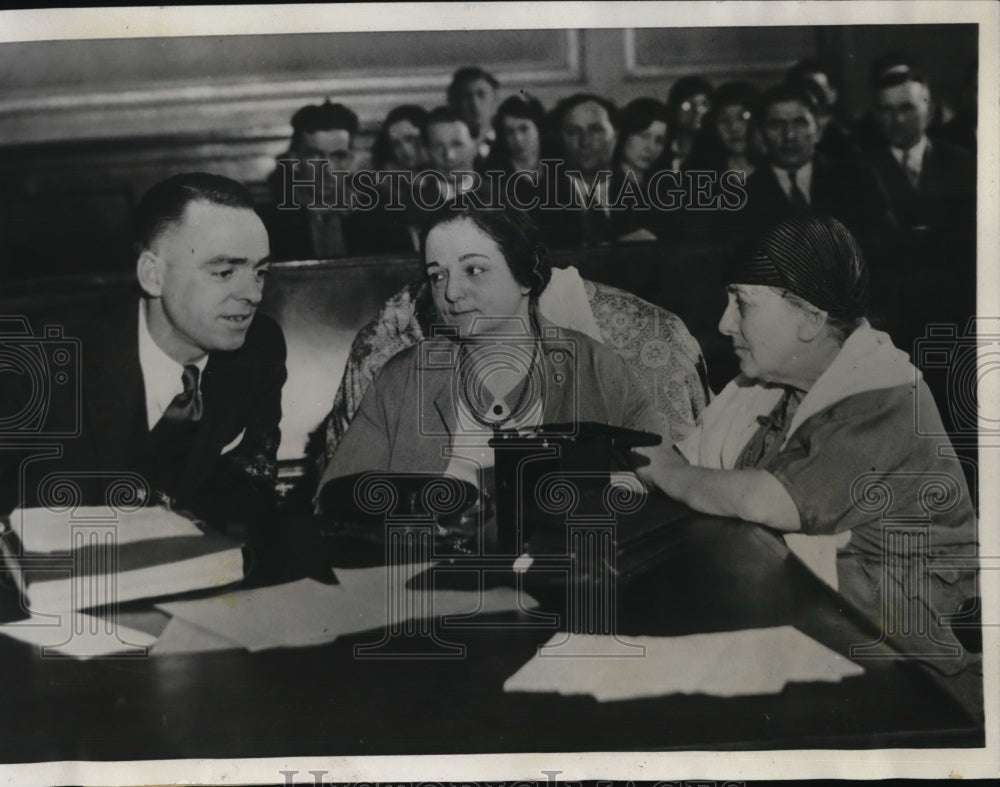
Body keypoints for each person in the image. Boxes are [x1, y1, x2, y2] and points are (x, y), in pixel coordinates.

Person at [637, 215, 978, 700]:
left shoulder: (885, 395)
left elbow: (765, 500)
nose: (724, 322)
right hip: (829, 630)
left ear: (811, 318)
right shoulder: (774, 388)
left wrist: (665, 469)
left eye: (742, 303)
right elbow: (693, 462)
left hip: (913, 669)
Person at [1, 173, 287, 538]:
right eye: (224, 272)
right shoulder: (36, 361)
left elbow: (250, 486)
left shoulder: (260, 348)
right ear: (153, 275)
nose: (253, 293)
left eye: (260, 271)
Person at [316, 202, 662, 493]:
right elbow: (338, 497)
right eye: (438, 275)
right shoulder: (402, 378)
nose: (451, 293)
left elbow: (672, 476)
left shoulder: (595, 366)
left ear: (526, 276)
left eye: (474, 270)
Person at [736, 82, 887, 247]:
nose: (789, 135)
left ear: (819, 130)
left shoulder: (857, 181)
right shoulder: (743, 197)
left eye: (800, 123)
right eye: (776, 125)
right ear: (761, 133)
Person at [863, 70, 975, 233]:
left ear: (929, 112)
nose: (898, 119)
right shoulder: (861, 167)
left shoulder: (961, 163)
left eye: (907, 108)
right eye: (887, 110)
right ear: (876, 116)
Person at [261, 100, 373, 260]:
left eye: (338, 156)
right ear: (295, 160)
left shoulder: (378, 220)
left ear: (350, 161)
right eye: (315, 155)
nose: (327, 169)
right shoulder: (269, 225)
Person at [538, 93, 619, 248]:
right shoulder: (536, 201)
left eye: (596, 130)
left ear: (615, 137)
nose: (585, 141)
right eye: (573, 132)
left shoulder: (647, 198)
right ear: (560, 139)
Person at [610, 97, 670, 241]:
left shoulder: (665, 186)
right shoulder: (603, 185)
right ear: (624, 136)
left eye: (659, 140)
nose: (651, 148)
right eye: (644, 136)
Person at [447, 66, 500, 161]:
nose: (474, 103)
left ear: (495, 99)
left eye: (481, 95)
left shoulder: (510, 144)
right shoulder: (446, 149)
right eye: (466, 97)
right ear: (454, 103)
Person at [663, 75, 713, 170]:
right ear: (674, 109)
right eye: (687, 105)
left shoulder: (716, 152)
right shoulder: (662, 147)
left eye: (704, 104)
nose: (697, 111)